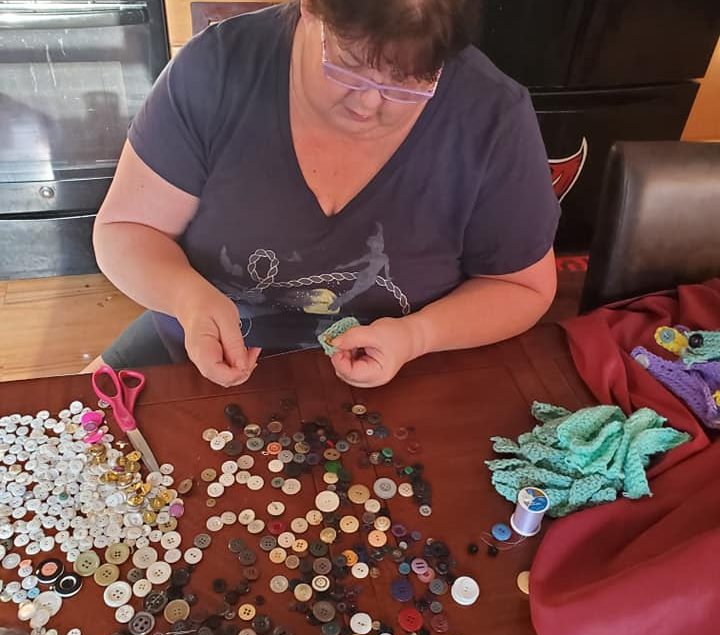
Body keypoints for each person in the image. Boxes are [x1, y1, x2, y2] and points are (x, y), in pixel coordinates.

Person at [89, 0, 560, 389]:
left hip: (404, 372)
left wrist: (416, 336)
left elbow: (522, 287)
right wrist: (187, 299)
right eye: (350, 67)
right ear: (310, 10)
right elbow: (125, 229)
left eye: (406, 82)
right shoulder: (216, 69)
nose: (368, 103)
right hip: (197, 348)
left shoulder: (492, 117)